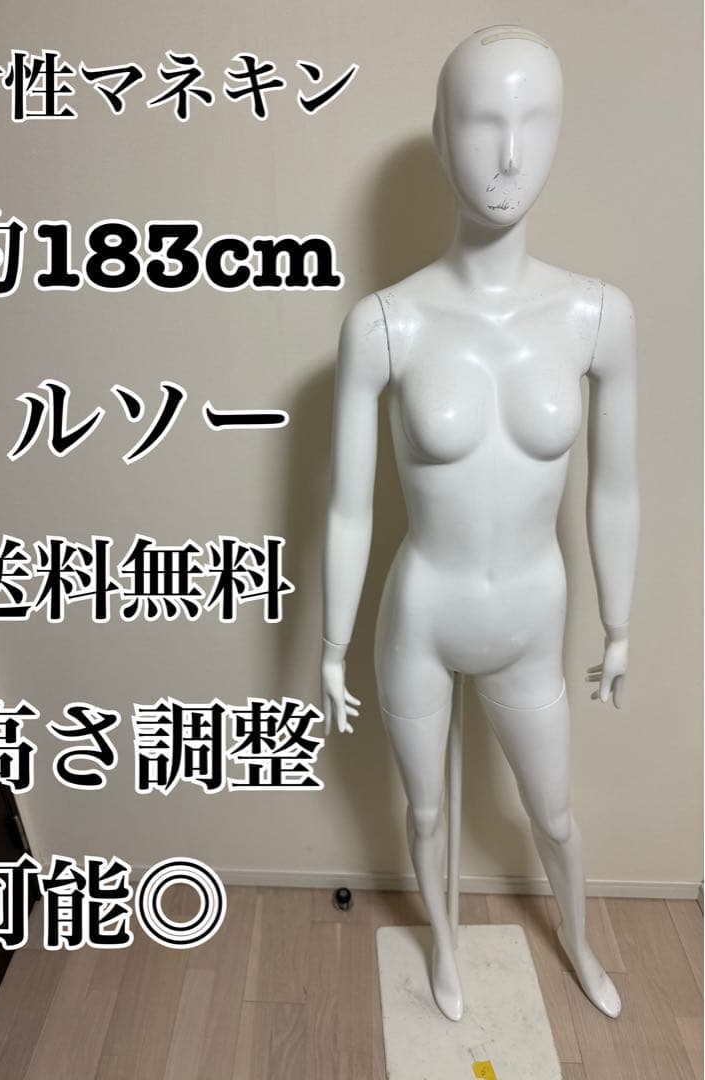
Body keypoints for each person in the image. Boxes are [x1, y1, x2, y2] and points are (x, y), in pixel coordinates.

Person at [321, 25, 639, 1022]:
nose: (507, 154)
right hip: (423, 612)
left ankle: (579, 943)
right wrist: (329, 646)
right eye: (479, 122)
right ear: (438, 133)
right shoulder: (386, 323)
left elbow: (616, 487)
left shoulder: (596, 316)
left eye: (533, 123)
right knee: (424, 813)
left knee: (553, 814)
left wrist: (618, 623)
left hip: (529, 620)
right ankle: (445, 948)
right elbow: (345, 503)